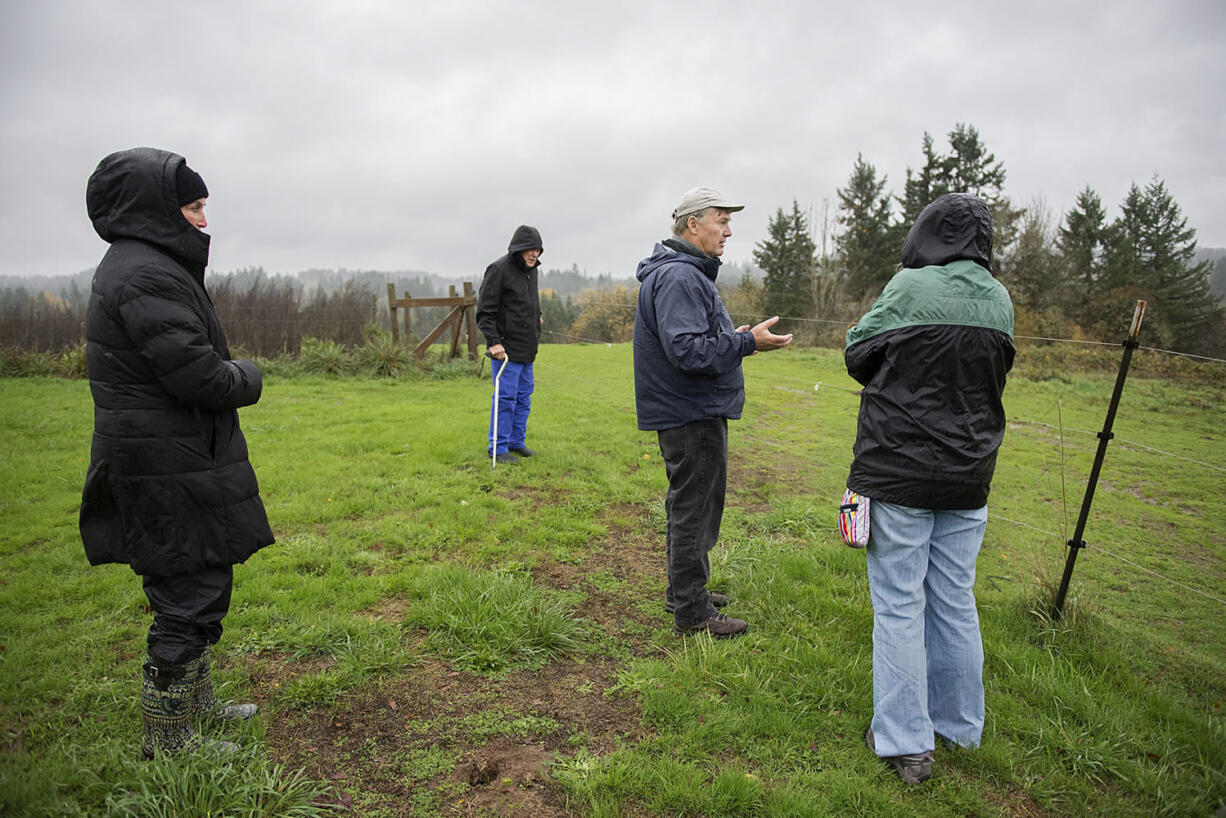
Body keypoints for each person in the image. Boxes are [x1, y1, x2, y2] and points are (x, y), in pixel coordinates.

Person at [80, 147, 275, 757]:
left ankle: (196, 705)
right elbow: (199, 378)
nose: (202, 219)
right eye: (192, 206)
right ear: (156, 211)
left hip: (172, 454)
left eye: (202, 206)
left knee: (198, 577)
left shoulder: (144, 266)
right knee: (187, 593)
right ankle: (169, 740)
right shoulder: (146, 274)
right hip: (163, 461)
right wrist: (249, 373)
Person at [844, 193, 1015, 784]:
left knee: (898, 603)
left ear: (924, 235)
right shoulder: (998, 298)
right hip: (970, 474)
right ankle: (960, 725)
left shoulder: (908, 288)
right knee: (955, 599)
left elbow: (857, 353)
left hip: (900, 469)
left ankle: (905, 743)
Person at [633, 187, 793, 637]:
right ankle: (692, 611)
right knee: (695, 508)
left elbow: (692, 340)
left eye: (729, 221)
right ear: (692, 225)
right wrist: (746, 342)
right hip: (690, 411)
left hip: (687, 408)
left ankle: (685, 590)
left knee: (690, 505)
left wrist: (735, 337)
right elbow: (686, 351)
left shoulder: (682, 274)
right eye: (720, 220)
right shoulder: (682, 277)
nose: (728, 229)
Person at [476, 225, 544, 465]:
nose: (534, 254)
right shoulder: (498, 269)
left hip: (527, 347)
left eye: (537, 250)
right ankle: (498, 446)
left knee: (524, 397)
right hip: (504, 350)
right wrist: (493, 342)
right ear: (519, 249)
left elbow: (527, 301)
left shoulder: (532, 271)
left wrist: (538, 315)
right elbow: (485, 312)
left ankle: (516, 442)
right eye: (530, 250)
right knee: (506, 398)